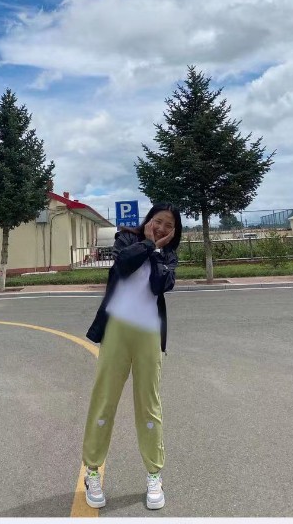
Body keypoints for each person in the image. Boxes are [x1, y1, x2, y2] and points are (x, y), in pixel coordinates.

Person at [82, 202, 182, 510]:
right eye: (158, 221)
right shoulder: (126, 239)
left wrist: (159, 251)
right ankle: (92, 471)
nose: (161, 227)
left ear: (174, 231)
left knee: (149, 405)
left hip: (148, 334)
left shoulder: (169, 255)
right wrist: (148, 244)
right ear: (149, 220)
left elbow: (160, 285)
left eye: (168, 225)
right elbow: (123, 265)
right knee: (104, 400)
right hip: (116, 330)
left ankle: (154, 474)